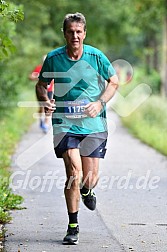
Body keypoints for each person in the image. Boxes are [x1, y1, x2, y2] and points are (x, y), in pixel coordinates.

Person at [36, 12, 118, 245]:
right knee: (74, 172)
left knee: (89, 178)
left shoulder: (95, 56)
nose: (75, 35)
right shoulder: (54, 58)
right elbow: (41, 85)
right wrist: (45, 100)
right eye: (70, 31)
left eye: (79, 31)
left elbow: (114, 82)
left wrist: (100, 102)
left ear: (84, 33)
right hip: (65, 123)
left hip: (93, 124)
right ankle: (73, 226)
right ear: (64, 33)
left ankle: (87, 190)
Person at [29, 56, 54, 133]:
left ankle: (46, 124)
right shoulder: (39, 68)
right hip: (41, 91)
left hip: (49, 90)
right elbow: (31, 77)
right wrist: (38, 77)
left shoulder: (52, 68)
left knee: (48, 107)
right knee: (41, 107)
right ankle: (41, 119)